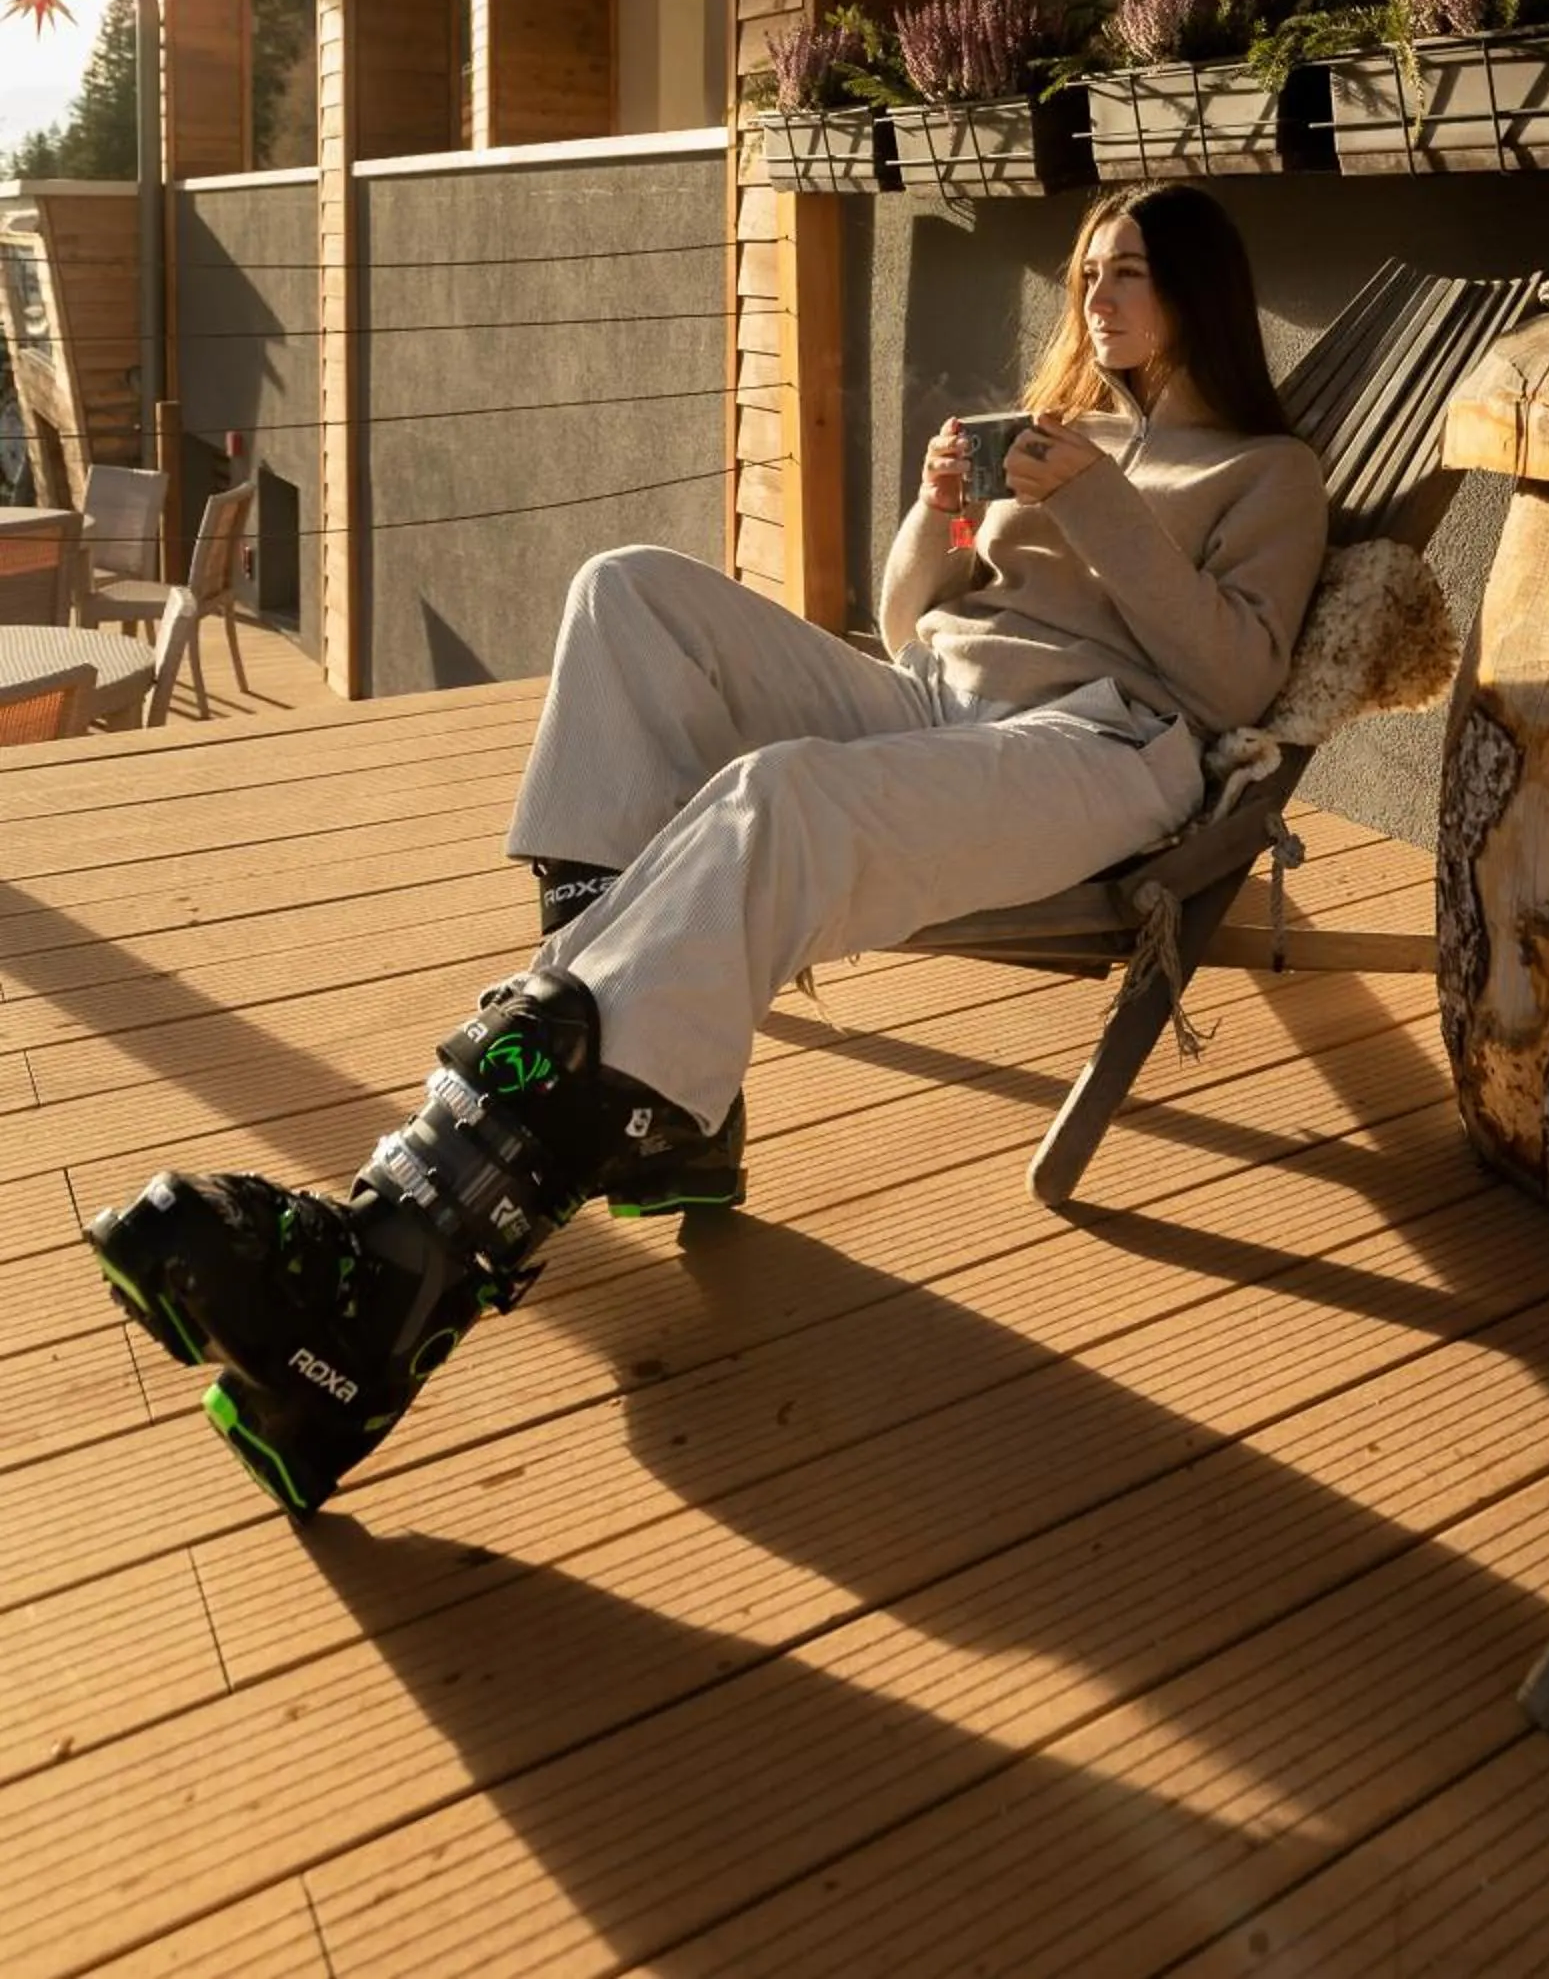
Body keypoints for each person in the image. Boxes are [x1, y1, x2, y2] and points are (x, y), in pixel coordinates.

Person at [84, 184, 1331, 1511]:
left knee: (778, 798)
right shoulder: (1067, 432)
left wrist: (1098, 514)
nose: (1094, 296)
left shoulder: (1268, 472)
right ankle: (653, 1118)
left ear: (1200, 290)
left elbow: (1236, 681)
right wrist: (933, 516)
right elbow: (910, 623)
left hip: (1099, 748)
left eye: (1127, 271)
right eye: (1086, 270)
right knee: (625, 590)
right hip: (938, 700)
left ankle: (401, 1255)